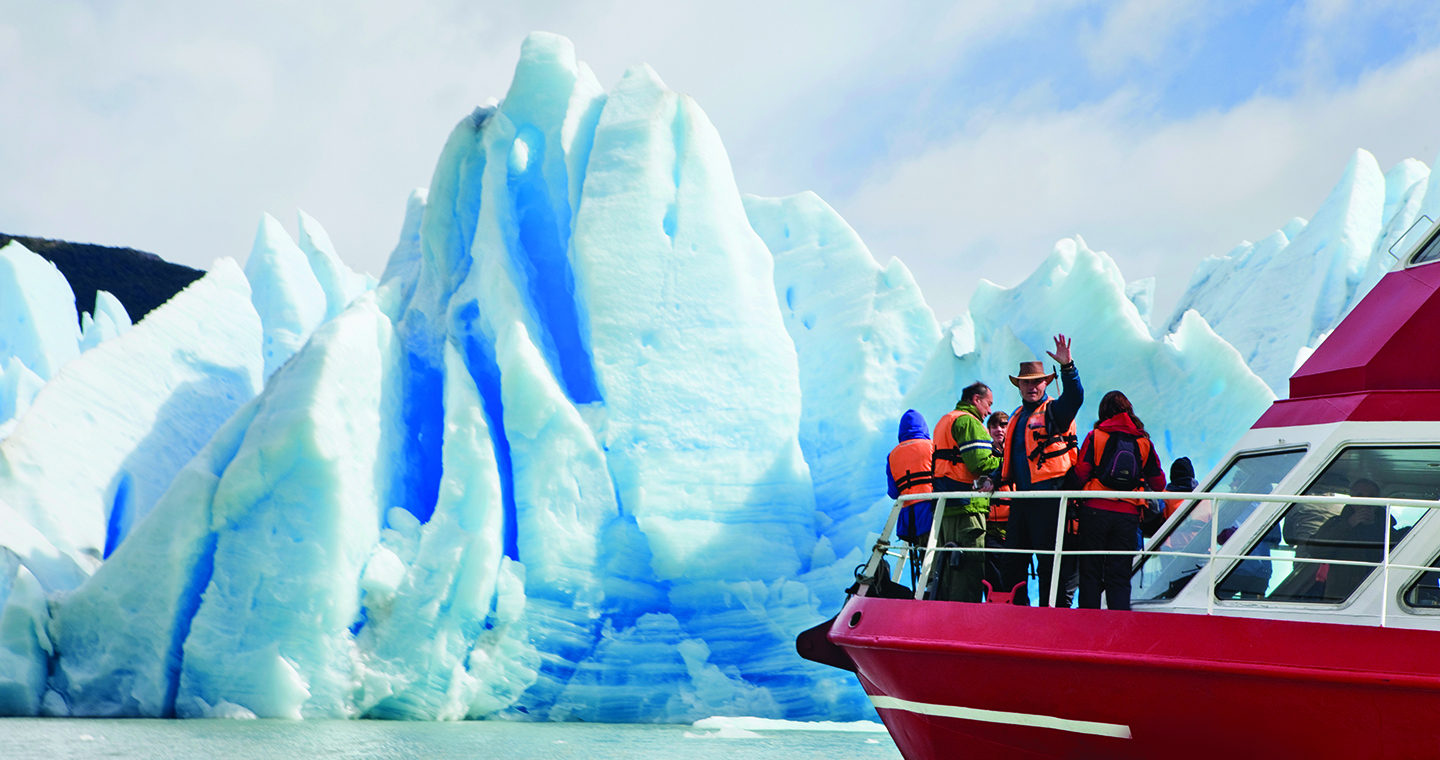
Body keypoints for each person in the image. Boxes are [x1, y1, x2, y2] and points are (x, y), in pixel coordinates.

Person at [1000, 335, 1084, 607]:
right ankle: (1017, 611)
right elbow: (1012, 459)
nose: (1031, 387)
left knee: (1050, 560)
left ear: (1046, 383)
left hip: (1050, 498)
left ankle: (1053, 613)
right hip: (1022, 501)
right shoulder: (1017, 416)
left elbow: (1074, 398)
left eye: (1036, 381)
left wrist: (1068, 367)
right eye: (1026, 382)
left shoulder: (1054, 411)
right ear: (1020, 386)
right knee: (1012, 559)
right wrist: (991, 481)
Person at [1073, 391, 1166, 610]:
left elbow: (1081, 472)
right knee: (1120, 574)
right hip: (1128, 513)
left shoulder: (1096, 435)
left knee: (1090, 572)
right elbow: (1159, 482)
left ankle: (1087, 626)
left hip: (1095, 509)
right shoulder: (1143, 441)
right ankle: (1117, 627)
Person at [929, 382, 1002, 602]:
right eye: (988, 404)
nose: (989, 411)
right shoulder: (969, 422)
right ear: (975, 400)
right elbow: (979, 464)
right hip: (966, 507)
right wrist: (1004, 460)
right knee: (968, 570)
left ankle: (941, 621)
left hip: (945, 504)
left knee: (947, 569)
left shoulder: (945, 420)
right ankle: (964, 621)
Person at [887, 410, 935, 548]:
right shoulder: (932, 446)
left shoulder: (892, 456)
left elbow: (893, 493)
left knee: (922, 558)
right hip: (931, 511)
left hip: (909, 518)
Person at [984, 411, 1011, 595]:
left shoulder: (1018, 455)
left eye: (1003, 425)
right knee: (994, 578)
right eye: (994, 426)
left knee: (1015, 576)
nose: (999, 430)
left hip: (1013, 525)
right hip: (992, 526)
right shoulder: (984, 457)